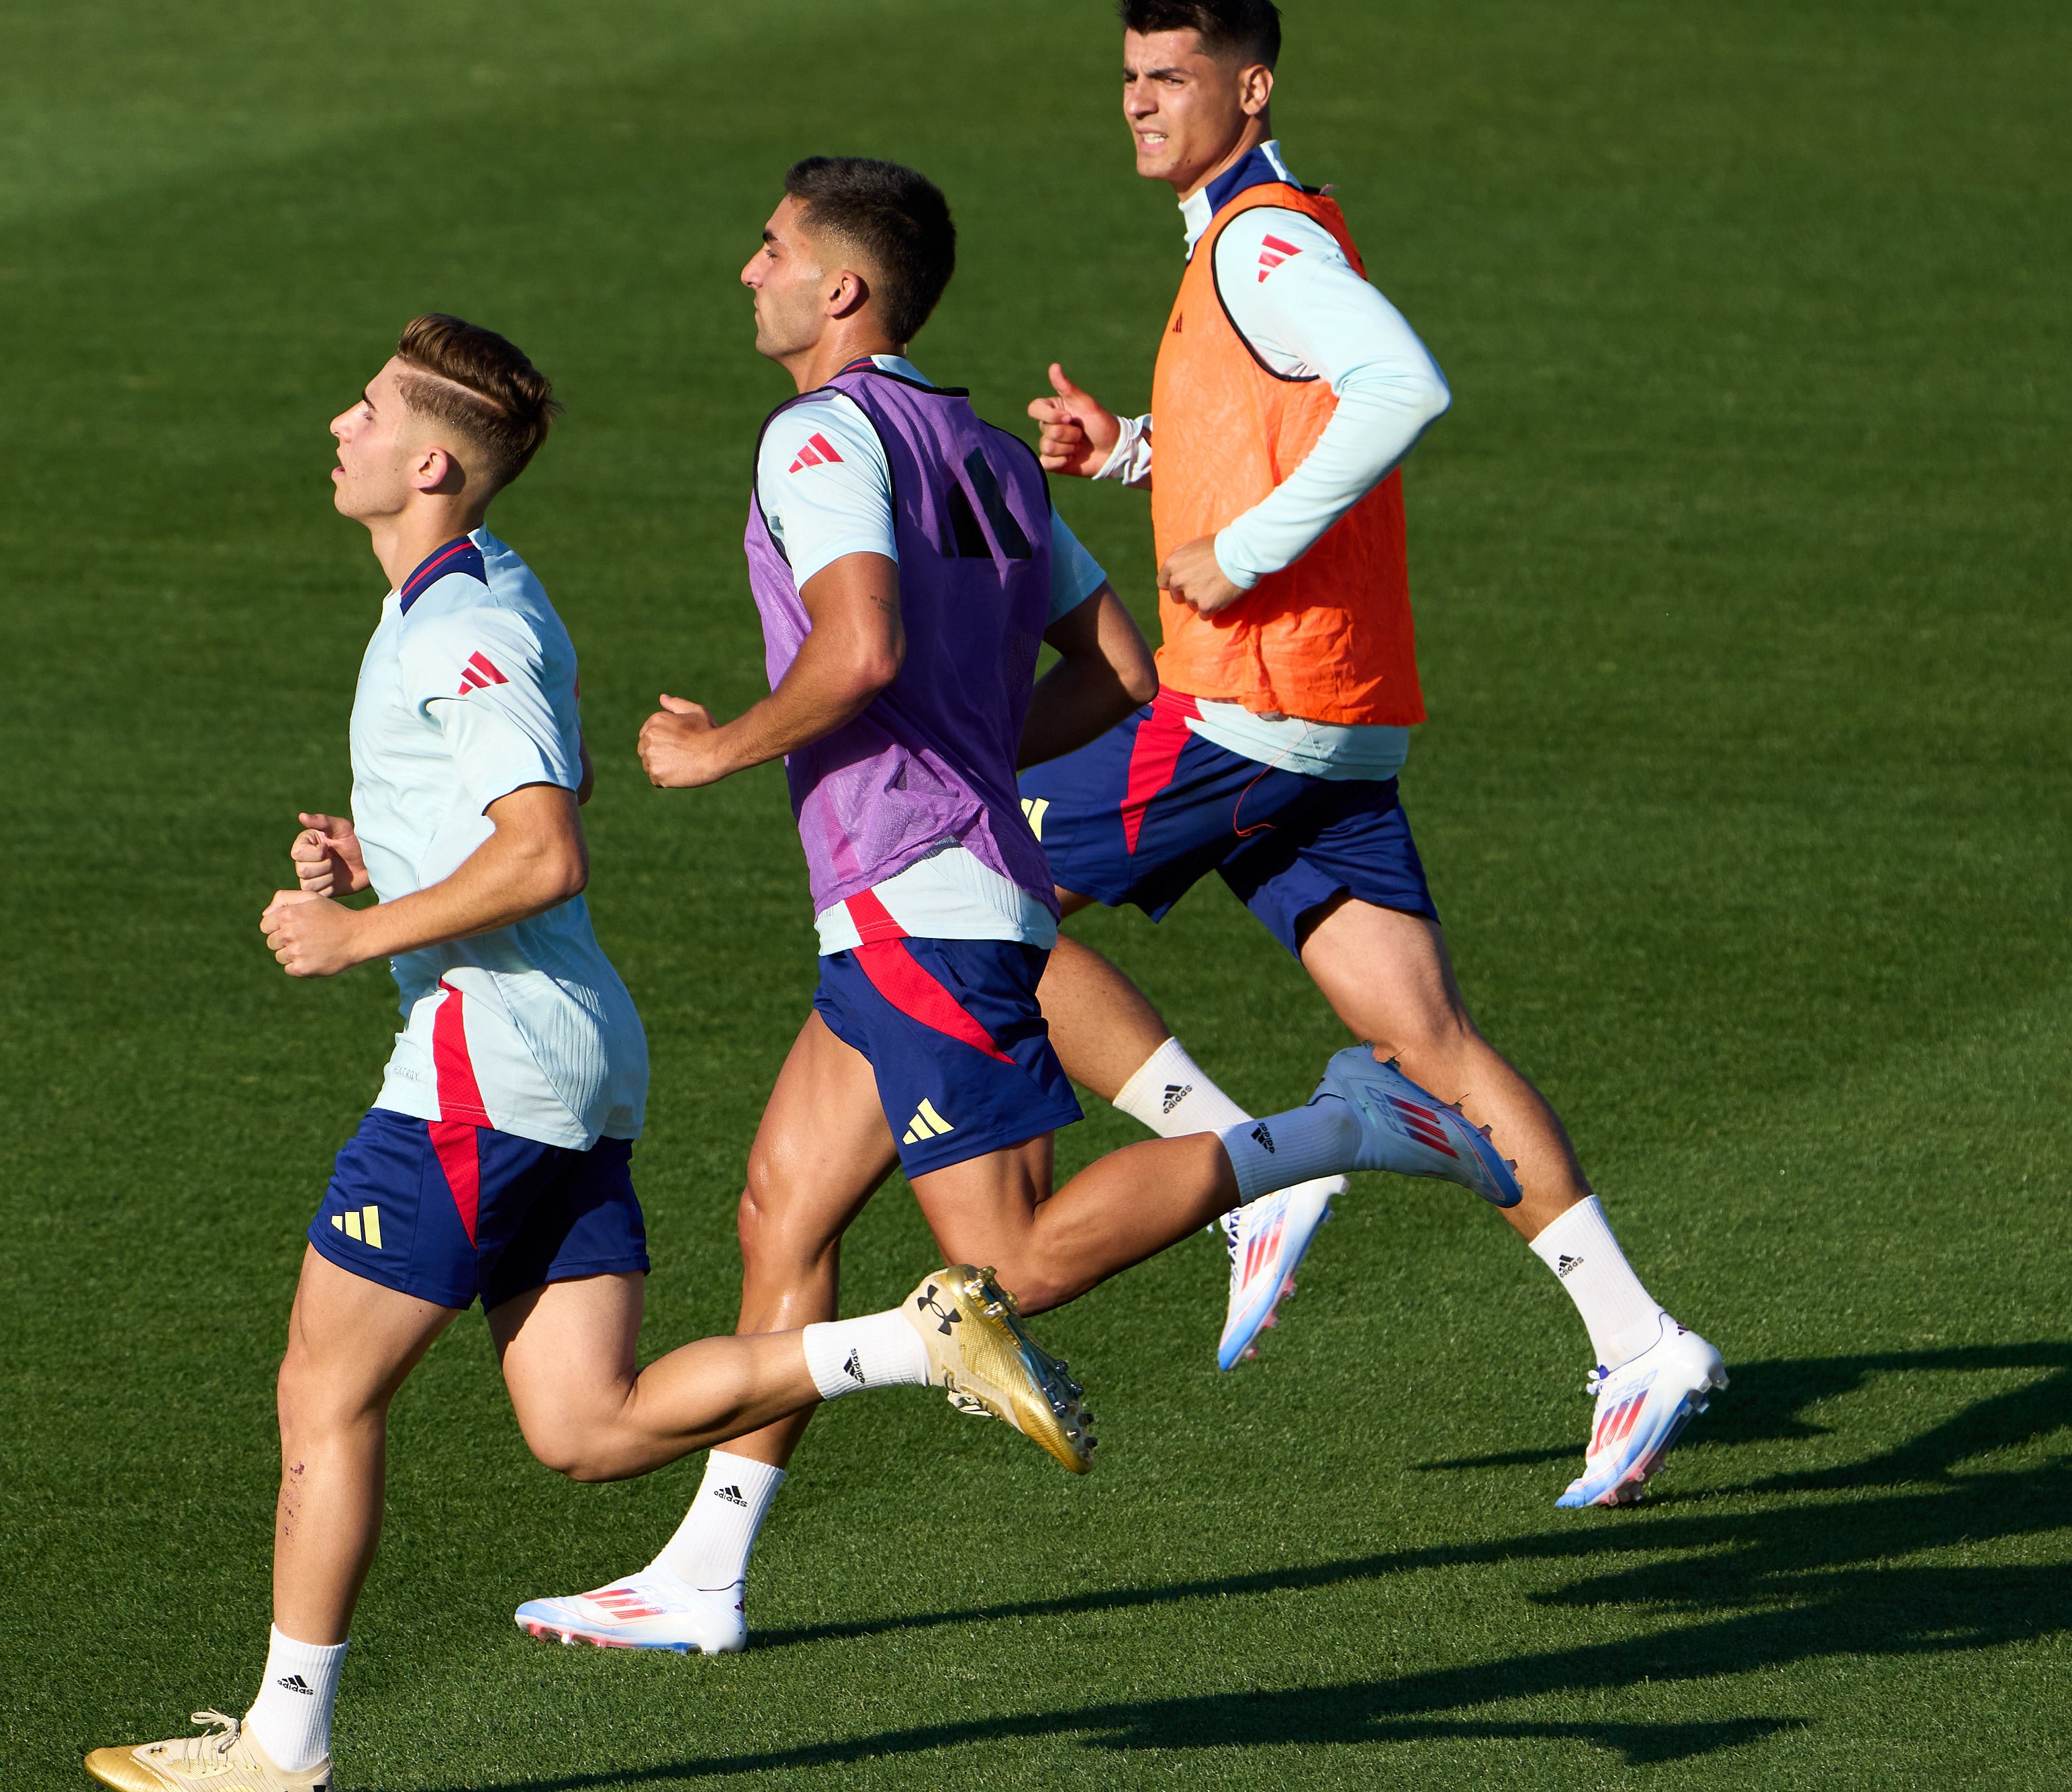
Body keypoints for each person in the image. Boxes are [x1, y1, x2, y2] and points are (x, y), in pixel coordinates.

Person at [83, 315, 1102, 1792]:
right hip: (563, 1065)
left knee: (324, 1389)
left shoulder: (458, 628)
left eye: (364, 412)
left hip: (476, 1073)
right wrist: (389, 858)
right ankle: (908, 1345)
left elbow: (545, 847)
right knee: (587, 1427)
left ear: (429, 461)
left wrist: (357, 941)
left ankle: (282, 1743)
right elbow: (497, 818)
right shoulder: (482, 592)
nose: (338, 430)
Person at [511, 159, 1515, 1657]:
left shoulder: (818, 436)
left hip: (920, 898)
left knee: (1006, 1266)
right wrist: (973, 742)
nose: (749, 273)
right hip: (928, 893)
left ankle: (1344, 1129)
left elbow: (855, 651)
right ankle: (703, 1574)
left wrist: (717, 744)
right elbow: (1119, 667)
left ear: (842, 289)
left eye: (771, 249)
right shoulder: (979, 450)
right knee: (782, 1205)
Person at [1021, 0, 1726, 1507]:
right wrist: (1136, 456)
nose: (1142, 100)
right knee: (1433, 1042)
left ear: (1251, 89)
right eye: (1130, 76)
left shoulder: (1263, 242)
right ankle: (1639, 1337)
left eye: (1173, 75)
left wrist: (1251, 547)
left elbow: (1405, 385)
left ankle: (1240, 1174)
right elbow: (1275, 426)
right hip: (1328, 727)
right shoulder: (1239, 240)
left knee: (954, 888)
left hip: (1250, 711)